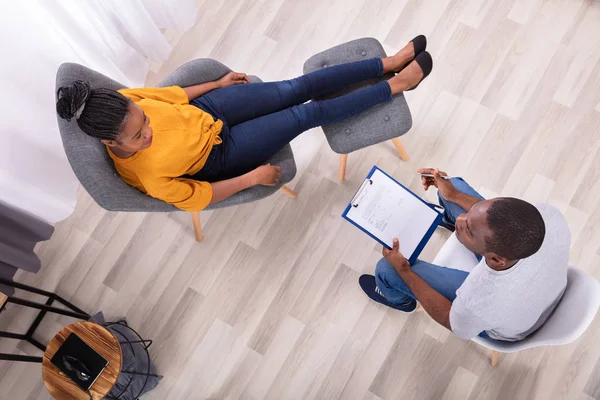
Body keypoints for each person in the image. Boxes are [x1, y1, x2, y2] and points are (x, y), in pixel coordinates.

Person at [56, 36, 431, 212]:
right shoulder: (150, 177)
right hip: (220, 155)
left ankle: (387, 63)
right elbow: (199, 197)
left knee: (295, 88)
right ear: (111, 143)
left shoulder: (133, 102)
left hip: (209, 109)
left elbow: (176, 96)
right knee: (307, 113)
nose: (148, 131)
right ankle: (396, 85)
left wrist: (216, 85)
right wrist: (250, 179)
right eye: (140, 136)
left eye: (144, 122)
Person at [359, 168, 570, 341]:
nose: (461, 219)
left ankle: (401, 301)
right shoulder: (547, 217)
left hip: (509, 322)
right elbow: (499, 217)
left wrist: (404, 270)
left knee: (387, 269)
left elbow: (450, 320)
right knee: (454, 186)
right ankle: (465, 221)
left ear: (495, 259)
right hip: (539, 284)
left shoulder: (479, 298)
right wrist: (453, 195)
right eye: (465, 220)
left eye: (468, 229)